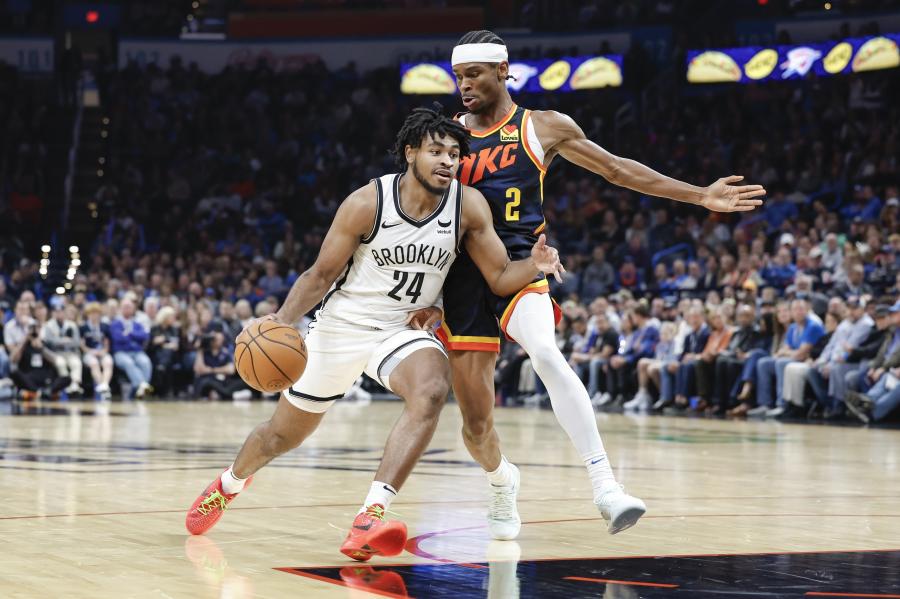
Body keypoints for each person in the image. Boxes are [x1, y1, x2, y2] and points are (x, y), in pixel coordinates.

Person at [417, 30, 764, 538]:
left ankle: (606, 486)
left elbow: (617, 170)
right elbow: (420, 217)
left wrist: (698, 195)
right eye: (458, 77)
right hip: (462, 280)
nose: (464, 85)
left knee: (545, 350)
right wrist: (423, 294)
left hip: (522, 267)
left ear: (503, 70)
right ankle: (501, 481)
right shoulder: (446, 138)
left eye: (473, 74)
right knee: (475, 424)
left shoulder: (542, 126)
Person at [183, 106, 563, 562]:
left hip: (401, 328)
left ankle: (371, 514)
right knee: (280, 437)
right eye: (436, 151)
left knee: (431, 389)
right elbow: (320, 275)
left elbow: (499, 276)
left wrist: (534, 265)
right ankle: (228, 485)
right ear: (410, 153)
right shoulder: (368, 202)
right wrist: (281, 321)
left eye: (454, 154)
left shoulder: (468, 206)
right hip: (341, 326)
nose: (447, 161)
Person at [109, 297, 153, 398]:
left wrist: (129, 334)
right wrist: (134, 338)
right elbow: (118, 338)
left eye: (129, 307)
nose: (127, 309)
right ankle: (142, 385)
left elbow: (144, 336)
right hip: (121, 353)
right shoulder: (115, 323)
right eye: (125, 307)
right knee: (129, 363)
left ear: (133, 309)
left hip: (137, 352)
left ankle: (139, 389)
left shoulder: (137, 324)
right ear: (120, 309)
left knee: (145, 362)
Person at [42, 303, 84, 396]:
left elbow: (76, 342)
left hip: (70, 352)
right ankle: (65, 384)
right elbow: (48, 341)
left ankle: (74, 385)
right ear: (53, 313)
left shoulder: (71, 325)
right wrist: (63, 341)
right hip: (55, 353)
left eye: (61, 311)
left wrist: (61, 341)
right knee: (61, 363)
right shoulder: (49, 325)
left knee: (76, 363)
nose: (59, 314)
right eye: (56, 312)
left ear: (64, 313)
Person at [80, 302, 114, 400]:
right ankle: (103, 388)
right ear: (88, 314)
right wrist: (90, 351)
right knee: (94, 363)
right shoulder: (83, 327)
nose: (94, 315)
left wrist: (104, 351)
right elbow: (82, 345)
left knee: (108, 362)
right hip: (89, 353)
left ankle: (105, 385)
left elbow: (107, 343)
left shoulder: (104, 326)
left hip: (102, 351)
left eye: (96, 313)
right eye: (92, 313)